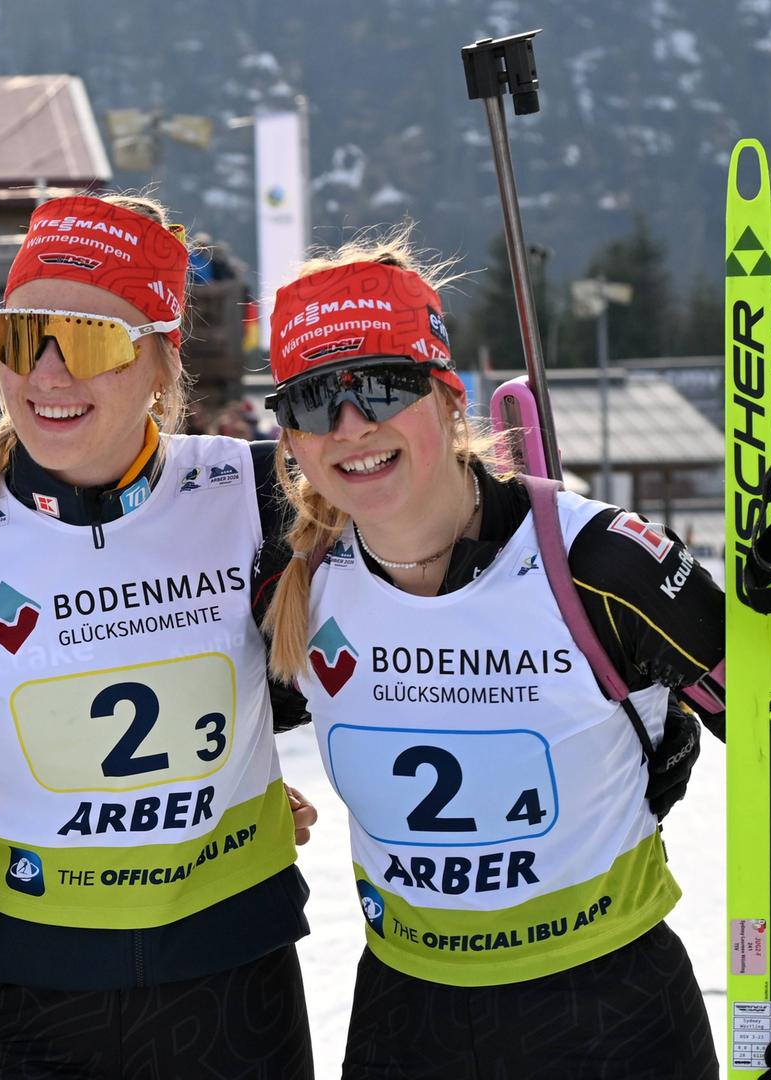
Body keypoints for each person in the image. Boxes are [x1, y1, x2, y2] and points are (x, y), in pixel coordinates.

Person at [250, 231, 740, 1077]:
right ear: (288, 438)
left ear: (447, 396)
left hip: (610, 1014)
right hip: (405, 1018)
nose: (350, 425)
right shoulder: (295, 581)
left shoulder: (599, 562)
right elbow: (225, 720)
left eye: (382, 386)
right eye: (312, 400)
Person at [0, 194, 317, 1078]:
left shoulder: (255, 492)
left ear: (160, 358)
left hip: (233, 977)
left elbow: (361, 655)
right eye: (18, 337)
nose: (46, 375)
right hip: (35, 985)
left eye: (88, 342)